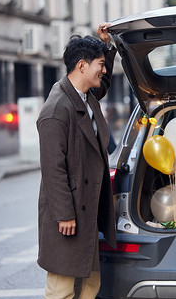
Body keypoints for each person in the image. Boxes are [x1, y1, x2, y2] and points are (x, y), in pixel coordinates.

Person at [37, 23, 117, 298]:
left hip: (85, 210)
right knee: (62, 289)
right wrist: (65, 214)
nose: (104, 70)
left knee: (89, 286)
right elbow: (52, 168)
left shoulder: (83, 96)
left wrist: (106, 46)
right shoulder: (56, 109)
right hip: (68, 215)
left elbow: (103, 84)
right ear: (82, 66)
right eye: (100, 64)